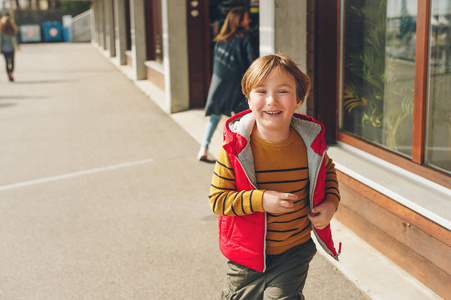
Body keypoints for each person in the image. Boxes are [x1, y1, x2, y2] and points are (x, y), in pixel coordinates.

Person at [209, 54, 341, 299]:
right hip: (246, 259)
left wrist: (331, 203)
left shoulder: (309, 145)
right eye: (261, 91)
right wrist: (261, 200)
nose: (271, 100)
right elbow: (218, 200)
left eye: (283, 91)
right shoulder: (234, 150)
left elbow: (328, 171)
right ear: (248, 98)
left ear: (298, 100)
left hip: (294, 251)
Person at [197, 7, 258, 162]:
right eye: (246, 18)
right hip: (237, 86)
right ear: (238, 21)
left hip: (219, 83)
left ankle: (203, 148)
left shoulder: (221, 39)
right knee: (240, 120)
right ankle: (236, 154)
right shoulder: (247, 38)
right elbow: (253, 64)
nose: (249, 20)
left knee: (215, 115)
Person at [0, 15, 18, 82]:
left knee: (7, 63)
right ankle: (10, 73)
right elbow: (15, 39)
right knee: (12, 63)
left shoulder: (3, 30)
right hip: (11, 49)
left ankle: (9, 74)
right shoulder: (11, 30)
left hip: (5, 49)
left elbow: (0, 41)